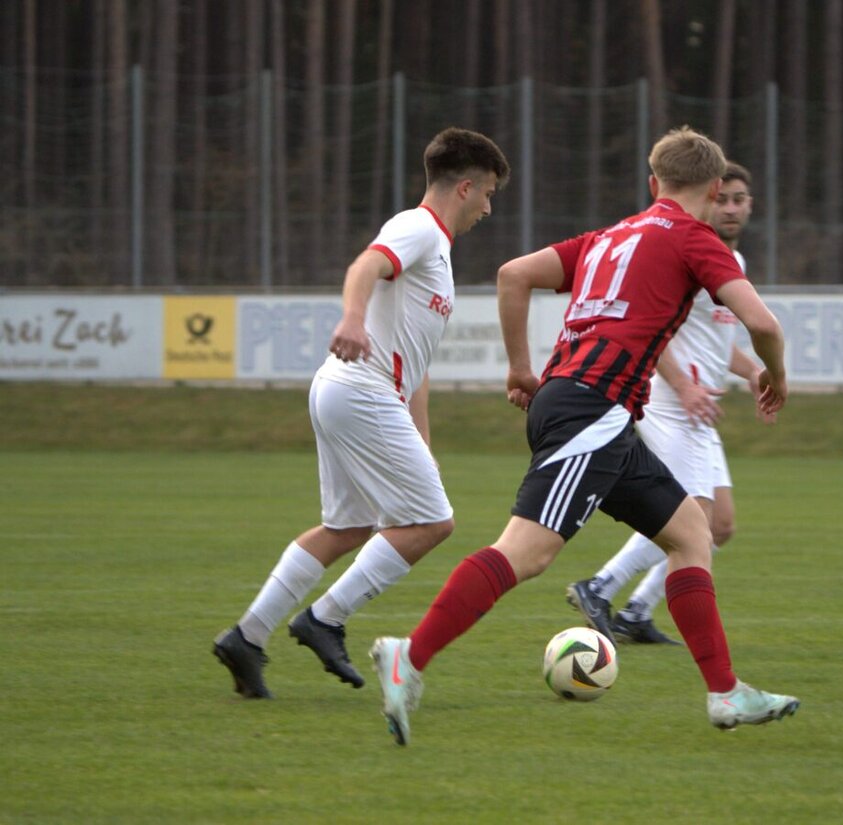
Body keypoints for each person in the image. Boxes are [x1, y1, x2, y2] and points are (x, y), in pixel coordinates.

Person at [369, 127, 799, 746]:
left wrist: (520, 367)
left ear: (653, 184)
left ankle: (726, 693)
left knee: (691, 534)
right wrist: (774, 377)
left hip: (598, 414)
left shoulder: (610, 235)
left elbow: (513, 273)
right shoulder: (696, 239)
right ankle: (408, 657)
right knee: (527, 553)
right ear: (712, 188)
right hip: (591, 412)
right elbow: (763, 322)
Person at [212, 127, 510, 698]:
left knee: (346, 526)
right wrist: (351, 317)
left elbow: (415, 362)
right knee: (432, 522)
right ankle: (325, 619)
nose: (489, 208)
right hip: (360, 388)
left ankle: (246, 638)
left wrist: (422, 440)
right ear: (466, 187)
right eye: (489, 193)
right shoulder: (419, 225)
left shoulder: (437, 251)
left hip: (350, 391)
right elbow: (366, 265)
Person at [565, 161, 774, 646]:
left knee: (719, 525)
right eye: (722, 199)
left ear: (749, 205)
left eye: (739, 200)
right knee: (691, 516)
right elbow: (652, 333)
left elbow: (718, 345)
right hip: (671, 401)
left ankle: (637, 611)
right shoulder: (684, 250)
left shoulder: (731, 263)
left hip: (700, 407)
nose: (730, 208)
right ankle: (599, 586)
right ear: (707, 194)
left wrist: (755, 372)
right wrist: (684, 386)